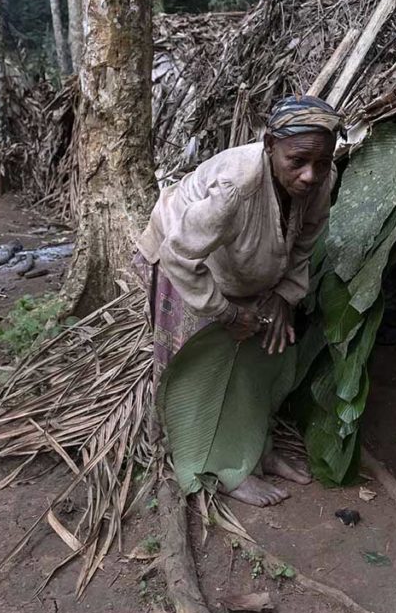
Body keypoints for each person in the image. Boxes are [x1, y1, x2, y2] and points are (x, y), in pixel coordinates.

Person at [135, 95, 343, 506]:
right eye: (297, 161)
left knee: (258, 358)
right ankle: (215, 467)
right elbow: (180, 254)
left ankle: (255, 452)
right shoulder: (235, 188)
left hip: (250, 266)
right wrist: (226, 313)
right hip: (187, 264)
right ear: (269, 146)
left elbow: (304, 240)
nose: (309, 175)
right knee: (203, 370)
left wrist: (284, 295)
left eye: (321, 163)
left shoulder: (322, 178)